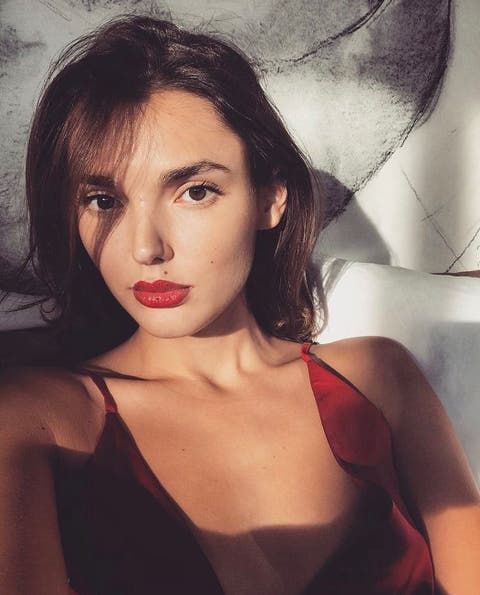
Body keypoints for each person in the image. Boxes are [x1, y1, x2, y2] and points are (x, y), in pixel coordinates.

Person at [0, 14, 479, 595]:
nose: (146, 248)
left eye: (195, 191)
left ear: (270, 197)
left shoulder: (377, 377)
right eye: (104, 200)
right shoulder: (36, 418)